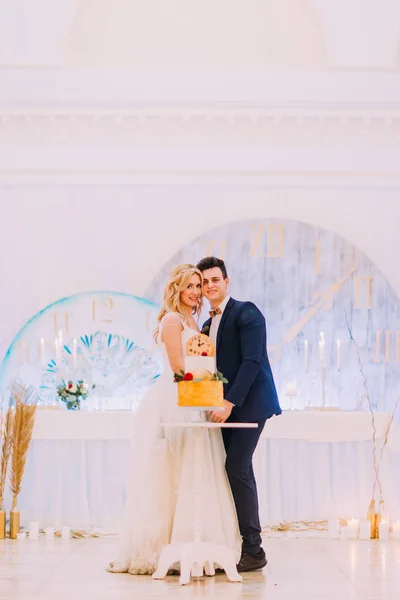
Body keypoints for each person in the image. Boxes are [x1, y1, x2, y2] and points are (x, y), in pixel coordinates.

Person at [108, 263, 240, 575]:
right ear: (177, 289)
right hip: (173, 401)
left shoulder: (195, 320)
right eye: (190, 286)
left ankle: (199, 543)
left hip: (194, 400)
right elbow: (179, 370)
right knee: (169, 472)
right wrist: (205, 391)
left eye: (199, 286)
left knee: (196, 470)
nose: (196, 292)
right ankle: (166, 546)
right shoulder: (171, 320)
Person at [196, 256, 281, 573]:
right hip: (223, 408)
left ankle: (254, 550)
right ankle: (235, 543)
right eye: (205, 282)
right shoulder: (207, 323)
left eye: (215, 279)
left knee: (236, 466)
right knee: (230, 469)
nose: (210, 286)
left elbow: (251, 362)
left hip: (251, 405)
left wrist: (229, 403)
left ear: (226, 281)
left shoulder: (248, 312)